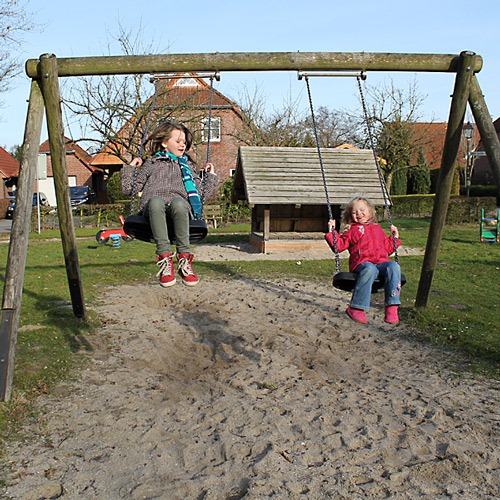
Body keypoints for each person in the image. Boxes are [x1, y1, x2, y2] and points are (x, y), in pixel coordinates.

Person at [121, 120, 218, 287]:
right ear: (165, 143)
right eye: (178, 141)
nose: (182, 145)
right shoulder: (151, 164)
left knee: (179, 203)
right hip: (152, 210)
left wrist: (210, 176)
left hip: (180, 211)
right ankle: (165, 259)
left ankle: (184, 259)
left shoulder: (187, 167)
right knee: (156, 201)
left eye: (184, 142)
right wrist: (131, 168)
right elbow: (128, 188)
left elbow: (202, 194)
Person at [324, 196, 402, 324]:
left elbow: (387, 249)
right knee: (370, 269)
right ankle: (356, 308)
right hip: (362, 264)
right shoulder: (352, 230)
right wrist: (332, 231)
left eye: (362, 210)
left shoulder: (378, 229)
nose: (359, 214)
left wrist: (395, 238)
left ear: (370, 211)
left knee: (394, 266)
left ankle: (392, 307)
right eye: (354, 212)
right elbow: (339, 246)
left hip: (381, 263)